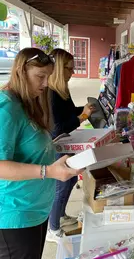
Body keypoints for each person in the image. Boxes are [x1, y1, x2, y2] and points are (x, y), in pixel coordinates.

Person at [0, 48, 82, 259]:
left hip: (36, 211)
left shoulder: (26, 102)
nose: (46, 84)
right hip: (16, 216)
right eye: (40, 77)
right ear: (21, 72)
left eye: (48, 76)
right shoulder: (6, 110)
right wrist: (48, 171)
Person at [46, 48, 95, 243]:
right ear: (59, 68)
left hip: (67, 142)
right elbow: (58, 127)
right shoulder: (51, 94)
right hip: (59, 145)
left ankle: (60, 215)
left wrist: (84, 109)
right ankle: (53, 228)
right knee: (62, 187)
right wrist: (82, 117)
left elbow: (67, 113)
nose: (72, 72)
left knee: (71, 181)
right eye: (69, 68)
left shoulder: (61, 90)